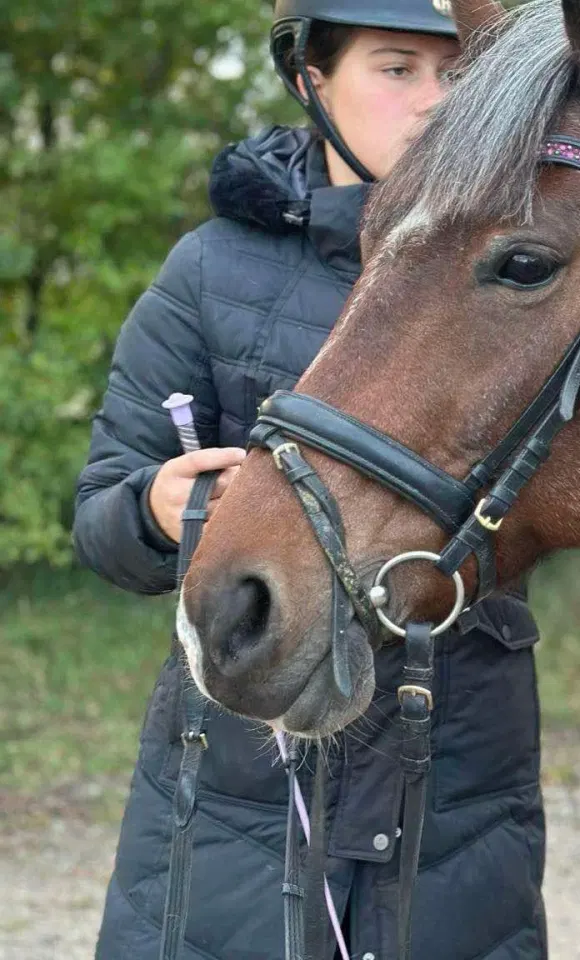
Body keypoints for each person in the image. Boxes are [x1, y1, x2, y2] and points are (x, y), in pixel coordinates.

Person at [72, 2, 547, 958]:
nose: (435, 104)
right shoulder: (210, 271)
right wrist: (157, 511)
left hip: (456, 760)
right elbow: (99, 517)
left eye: (459, 75)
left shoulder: (514, 269)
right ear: (311, 80)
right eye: (397, 68)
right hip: (243, 783)